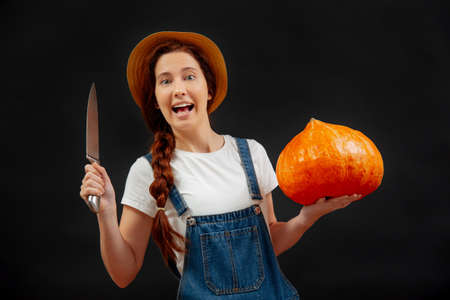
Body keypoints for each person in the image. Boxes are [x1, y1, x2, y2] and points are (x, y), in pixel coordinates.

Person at [79, 31, 362, 299]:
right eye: (165, 81)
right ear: (155, 99)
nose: (178, 89)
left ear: (209, 89)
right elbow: (123, 274)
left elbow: (268, 244)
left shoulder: (251, 153)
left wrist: (306, 218)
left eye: (189, 76)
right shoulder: (147, 171)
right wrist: (105, 212)